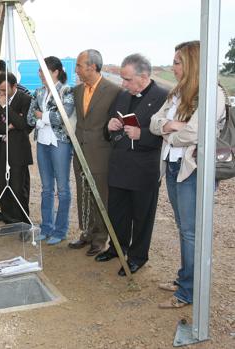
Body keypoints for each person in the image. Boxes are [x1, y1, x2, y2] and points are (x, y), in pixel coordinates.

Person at [150, 41, 226, 308]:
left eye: (177, 62)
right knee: (184, 229)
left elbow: (196, 132)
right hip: (172, 166)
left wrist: (171, 133)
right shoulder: (177, 92)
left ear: (192, 63)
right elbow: (154, 122)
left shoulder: (211, 94)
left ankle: (188, 291)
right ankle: (185, 279)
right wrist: (171, 126)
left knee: (192, 232)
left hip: (193, 171)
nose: (173, 67)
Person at [94, 54, 168, 276]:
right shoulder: (123, 95)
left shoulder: (163, 97)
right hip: (119, 164)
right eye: (122, 79)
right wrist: (110, 125)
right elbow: (108, 127)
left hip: (144, 168)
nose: (123, 84)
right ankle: (118, 248)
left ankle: (137, 257)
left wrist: (141, 134)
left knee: (142, 216)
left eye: (127, 79)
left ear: (143, 76)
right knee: (117, 212)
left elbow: (170, 134)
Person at [68, 49, 121, 256]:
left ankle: (100, 238)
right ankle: (87, 233)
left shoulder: (114, 91)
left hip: (101, 153)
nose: (76, 70)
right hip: (80, 151)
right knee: (83, 194)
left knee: (100, 195)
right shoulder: (77, 91)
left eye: (80, 66)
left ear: (92, 67)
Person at [27, 56, 75, 245]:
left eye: (43, 70)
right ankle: (46, 227)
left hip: (60, 143)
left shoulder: (66, 90)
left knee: (62, 188)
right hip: (42, 143)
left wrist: (42, 116)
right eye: (39, 70)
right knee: (46, 188)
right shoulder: (38, 92)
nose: (40, 74)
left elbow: (63, 116)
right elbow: (30, 119)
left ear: (55, 72)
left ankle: (60, 229)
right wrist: (42, 118)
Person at [0, 72, 32, 224]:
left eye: (4, 90)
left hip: (18, 150)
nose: (1, 93)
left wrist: (6, 107)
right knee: (3, 185)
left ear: (14, 86)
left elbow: (24, 124)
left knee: (18, 187)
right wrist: (9, 126)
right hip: (0, 148)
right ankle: (8, 217)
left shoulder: (25, 99)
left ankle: (23, 221)